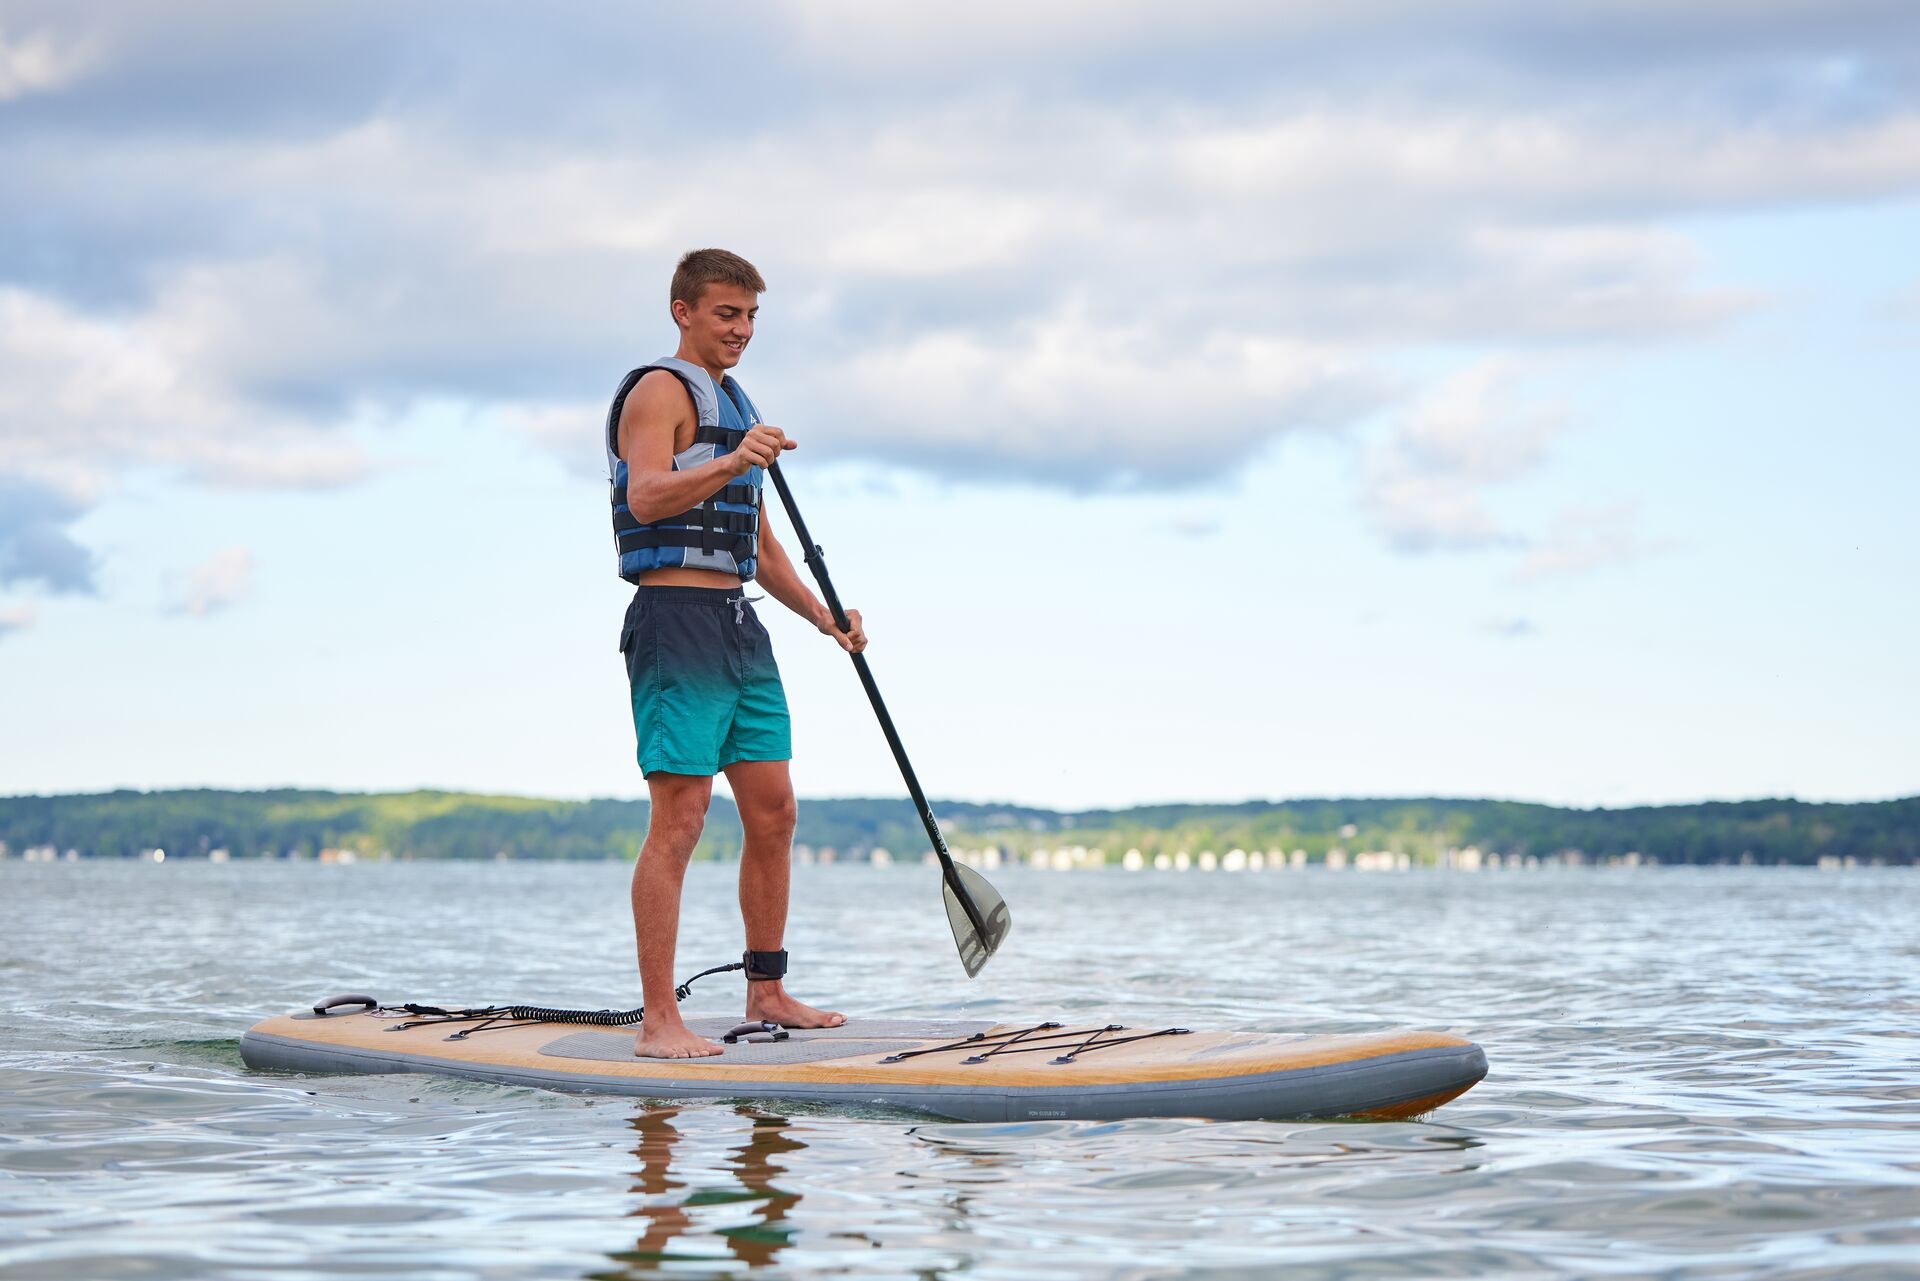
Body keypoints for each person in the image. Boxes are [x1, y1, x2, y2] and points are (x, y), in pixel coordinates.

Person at [605, 248, 866, 1059]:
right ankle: (659, 1020)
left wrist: (826, 618)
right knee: (680, 817)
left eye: (751, 316)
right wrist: (731, 459)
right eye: (727, 313)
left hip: (738, 623)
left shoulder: (736, 402)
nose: (742, 330)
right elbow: (646, 496)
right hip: (673, 618)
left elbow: (758, 541)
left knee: (775, 810)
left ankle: (768, 988)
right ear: (683, 310)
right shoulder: (658, 390)